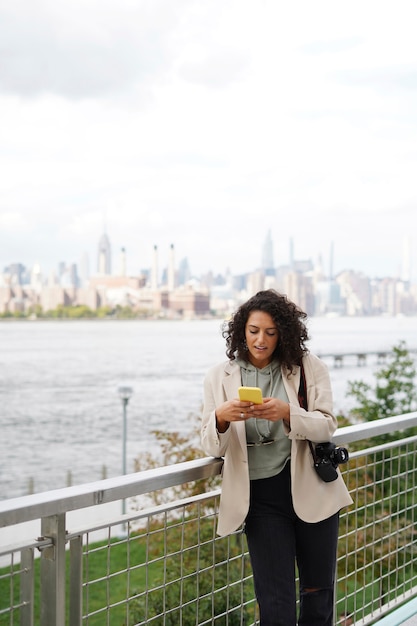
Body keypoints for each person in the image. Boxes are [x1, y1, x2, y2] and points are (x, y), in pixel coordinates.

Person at [201, 290, 353, 626]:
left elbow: (327, 425)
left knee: (317, 592)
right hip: (260, 496)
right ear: (242, 330)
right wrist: (221, 417)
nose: (261, 340)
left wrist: (288, 413)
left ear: (284, 333)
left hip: (310, 489)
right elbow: (211, 446)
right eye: (254, 330)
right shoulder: (218, 377)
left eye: (271, 332)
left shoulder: (308, 368)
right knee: (275, 601)